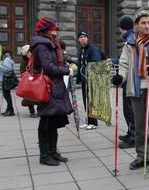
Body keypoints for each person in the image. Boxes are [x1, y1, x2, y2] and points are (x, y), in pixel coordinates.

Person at [112, 9, 149, 175]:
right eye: (143, 23)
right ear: (136, 26)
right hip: (136, 90)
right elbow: (123, 66)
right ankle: (141, 156)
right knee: (139, 127)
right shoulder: (129, 45)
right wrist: (120, 77)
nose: (147, 25)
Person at [31, 18, 72, 166]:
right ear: (47, 30)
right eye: (54, 29)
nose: (56, 31)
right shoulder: (42, 45)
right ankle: (44, 155)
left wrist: (67, 64)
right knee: (46, 121)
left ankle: (53, 152)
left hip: (55, 87)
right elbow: (49, 67)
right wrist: (66, 70)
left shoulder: (51, 43)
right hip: (47, 88)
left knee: (53, 121)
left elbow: (55, 63)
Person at [76, 30, 102, 130]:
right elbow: (80, 64)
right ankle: (88, 120)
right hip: (84, 79)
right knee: (85, 100)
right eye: (81, 37)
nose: (83, 38)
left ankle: (93, 122)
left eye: (84, 37)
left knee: (92, 101)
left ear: (87, 38)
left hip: (92, 79)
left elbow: (96, 62)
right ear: (78, 39)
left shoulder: (93, 49)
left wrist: (89, 64)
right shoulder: (81, 49)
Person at [117, 16, 136, 149]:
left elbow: (129, 63)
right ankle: (130, 133)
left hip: (130, 82)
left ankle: (133, 138)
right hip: (129, 81)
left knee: (130, 112)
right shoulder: (131, 38)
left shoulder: (130, 40)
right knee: (129, 111)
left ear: (122, 28)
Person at [19, 45, 38, 118]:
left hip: (37, 82)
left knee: (39, 96)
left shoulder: (35, 60)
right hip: (29, 83)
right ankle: (32, 111)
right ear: (25, 54)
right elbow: (22, 74)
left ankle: (40, 111)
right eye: (30, 52)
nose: (32, 53)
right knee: (29, 98)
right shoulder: (24, 63)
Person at [0, 51, 15, 116]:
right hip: (5, 80)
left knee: (7, 96)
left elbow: (8, 69)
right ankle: (9, 109)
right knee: (7, 95)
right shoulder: (6, 59)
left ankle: (10, 110)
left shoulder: (7, 60)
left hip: (6, 80)